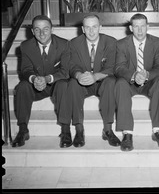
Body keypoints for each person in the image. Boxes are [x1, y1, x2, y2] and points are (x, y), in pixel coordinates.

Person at [114, 13, 159, 152]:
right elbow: (119, 68)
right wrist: (134, 75)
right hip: (130, 83)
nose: (140, 30)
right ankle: (127, 133)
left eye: (143, 26)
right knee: (120, 83)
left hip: (149, 81)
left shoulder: (157, 43)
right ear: (130, 28)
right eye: (136, 26)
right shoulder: (121, 44)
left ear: (148, 27)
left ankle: (157, 131)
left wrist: (147, 75)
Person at [12, 15, 70, 148]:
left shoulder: (64, 44)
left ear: (52, 29)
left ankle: (65, 130)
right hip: (37, 85)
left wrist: (47, 79)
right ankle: (23, 129)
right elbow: (26, 70)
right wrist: (34, 79)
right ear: (32, 31)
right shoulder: (25, 46)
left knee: (63, 85)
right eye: (37, 30)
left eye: (46, 29)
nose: (42, 33)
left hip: (55, 84)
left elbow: (65, 71)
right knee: (22, 86)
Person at [66, 14, 120, 148]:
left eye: (94, 27)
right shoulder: (74, 43)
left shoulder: (111, 42)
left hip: (101, 81)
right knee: (72, 83)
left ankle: (107, 129)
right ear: (82, 29)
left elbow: (112, 67)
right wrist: (78, 75)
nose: (91, 31)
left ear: (100, 27)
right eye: (87, 27)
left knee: (111, 82)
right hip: (83, 83)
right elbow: (72, 66)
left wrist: (95, 76)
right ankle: (79, 130)